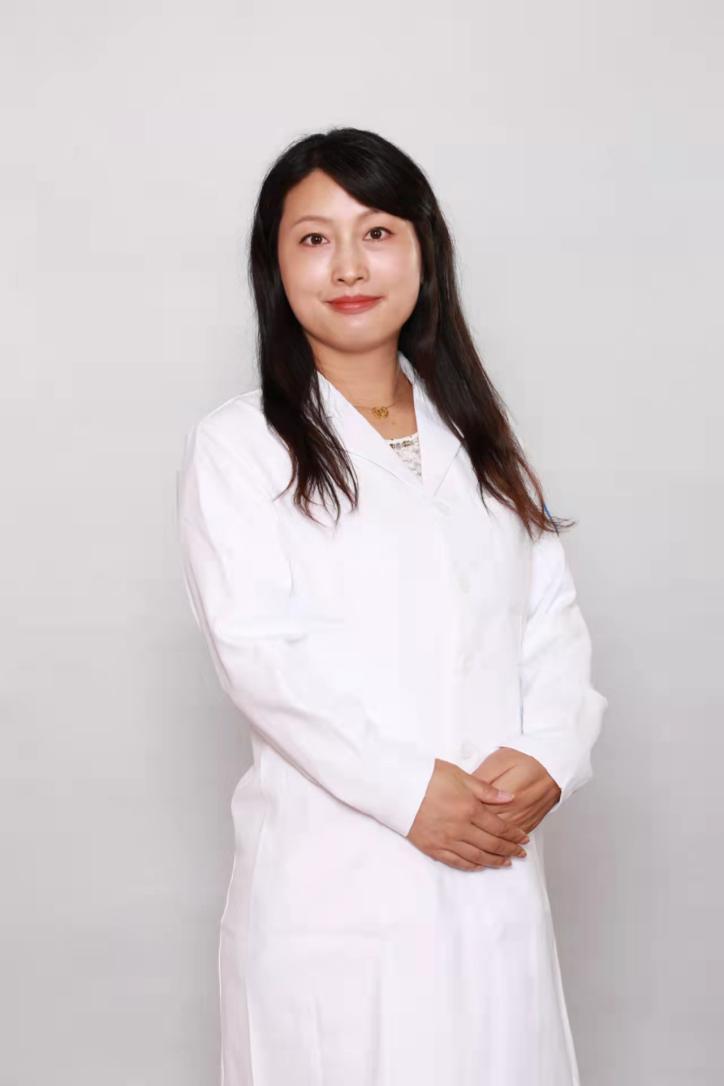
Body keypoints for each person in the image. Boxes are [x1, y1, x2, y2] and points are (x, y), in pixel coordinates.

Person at [176, 126, 608, 1086]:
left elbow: (551, 621)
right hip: (336, 881)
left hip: (493, 863)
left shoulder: (481, 441)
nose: (348, 267)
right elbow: (260, 657)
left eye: (377, 233)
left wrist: (550, 754)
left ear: (424, 253)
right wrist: (412, 791)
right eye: (314, 239)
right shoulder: (240, 447)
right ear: (275, 266)